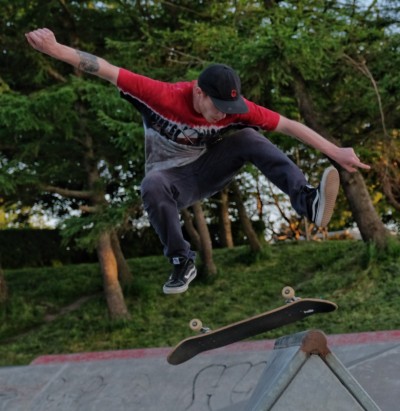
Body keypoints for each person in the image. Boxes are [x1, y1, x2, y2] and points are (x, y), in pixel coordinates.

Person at [25, 28, 370, 295]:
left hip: (209, 169)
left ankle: (307, 201)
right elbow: (105, 69)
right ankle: (181, 261)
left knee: (249, 137)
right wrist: (55, 49)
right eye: (216, 107)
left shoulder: (236, 110)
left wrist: (335, 151)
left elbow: (290, 126)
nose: (222, 115)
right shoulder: (161, 95)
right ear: (199, 93)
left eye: (229, 109)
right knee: (152, 185)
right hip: (173, 180)